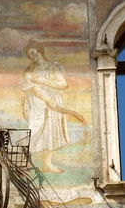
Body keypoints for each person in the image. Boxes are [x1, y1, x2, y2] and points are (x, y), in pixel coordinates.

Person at [22, 40, 86, 174]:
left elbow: (63, 84)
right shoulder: (29, 71)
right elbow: (31, 87)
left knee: (50, 131)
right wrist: (48, 99)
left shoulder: (52, 67)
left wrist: (44, 81)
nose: (31, 56)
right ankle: (24, 162)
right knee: (36, 129)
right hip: (37, 102)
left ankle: (47, 164)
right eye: (28, 55)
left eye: (32, 52)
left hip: (54, 99)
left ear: (39, 51)